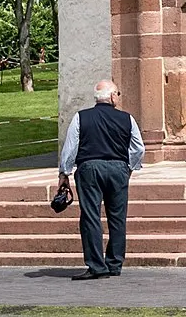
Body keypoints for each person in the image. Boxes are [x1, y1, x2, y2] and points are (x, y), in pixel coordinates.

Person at [57, 79, 145, 278]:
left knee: (90, 216)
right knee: (117, 217)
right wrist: (129, 168)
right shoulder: (127, 118)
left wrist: (64, 173)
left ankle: (96, 266)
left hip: (89, 168)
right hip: (117, 169)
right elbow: (138, 148)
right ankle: (114, 264)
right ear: (113, 96)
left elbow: (70, 148)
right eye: (118, 94)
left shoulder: (81, 117)